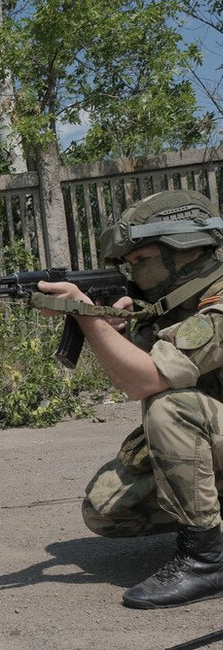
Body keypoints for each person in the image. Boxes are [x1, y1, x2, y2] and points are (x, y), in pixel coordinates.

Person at [37, 189, 223, 609]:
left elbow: (144, 381)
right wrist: (123, 325)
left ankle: (207, 559)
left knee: (172, 407)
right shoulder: (172, 305)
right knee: (105, 509)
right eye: (128, 263)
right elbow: (141, 361)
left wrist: (85, 314)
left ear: (188, 250)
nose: (134, 271)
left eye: (143, 259)